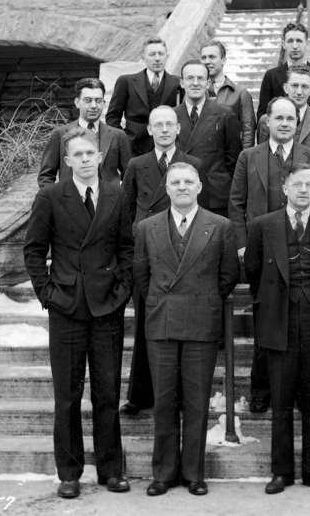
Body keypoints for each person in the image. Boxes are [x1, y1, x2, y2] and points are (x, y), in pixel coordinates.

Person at [23, 127, 133, 498]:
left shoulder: (117, 195)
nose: (86, 159)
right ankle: (69, 472)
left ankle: (111, 469)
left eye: (91, 153)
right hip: (67, 307)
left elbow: (126, 248)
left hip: (107, 306)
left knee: (107, 392)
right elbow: (34, 251)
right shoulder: (51, 196)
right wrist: (49, 294)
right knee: (67, 396)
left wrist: (122, 288)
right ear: (67, 161)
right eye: (78, 155)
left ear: (100, 157)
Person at [134, 162, 239, 497]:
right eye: (175, 182)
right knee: (164, 401)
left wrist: (205, 301)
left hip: (201, 321)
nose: (182, 187)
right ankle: (164, 473)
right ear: (166, 189)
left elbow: (228, 276)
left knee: (196, 401)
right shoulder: (146, 227)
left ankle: (194, 473)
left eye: (188, 182)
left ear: (199, 187)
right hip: (161, 322)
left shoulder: (220, 226)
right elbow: (141, 276)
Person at [244, 164, 310, 495]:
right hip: (279, 319)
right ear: (285, 188)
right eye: (297, 184)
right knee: (281, 398)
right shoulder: (263, 225)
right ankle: (281, 471)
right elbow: (254, 268)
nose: (303, 190)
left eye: (309, 185)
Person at [229, 97, 310, 414]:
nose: (285, 123)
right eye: (279, 118)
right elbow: (236, 204)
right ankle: (262, 389)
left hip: (302, 251)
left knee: (300, 328)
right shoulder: (249, 157)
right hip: (263, 253)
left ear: (297, 123)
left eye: (291, 119)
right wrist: (243, 245)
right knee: (265, 324)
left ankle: (299, 389)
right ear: (267, 122)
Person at [120, 105, 208, 415]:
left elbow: (203, 214)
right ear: (150, 130)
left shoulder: (192, 164)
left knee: (183, 327)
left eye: (170, 124)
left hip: (183, 254)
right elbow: (126, 210)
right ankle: (141, 394)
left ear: (179, 128)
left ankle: (181, 395)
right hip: (149, 254)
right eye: (158, 124)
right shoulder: (137, 164)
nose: (165, 129)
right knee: (147, 324)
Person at [173, 60, 242, 218]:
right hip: (181, 195)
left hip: (215, 198)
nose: (195, 83)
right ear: (182, 83)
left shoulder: (224, 115)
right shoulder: (171, 116)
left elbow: (234, 161)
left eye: (200, 78)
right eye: (190, 78)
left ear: (208, 83)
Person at [39, 78, 132, 187]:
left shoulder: (117, 135)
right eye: (88, 100)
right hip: (71, 200)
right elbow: (46, 176)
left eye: (98, 100)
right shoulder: (60, 134)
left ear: (103, 103)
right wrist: (56, 201)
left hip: (108, 201)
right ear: (77, 102)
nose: (93, 106)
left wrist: (120, 198)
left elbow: (129, 175)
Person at [258, 64, 310, 183]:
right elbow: (262, 159)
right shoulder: (266, 121)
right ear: (285, 87)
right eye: (294, 85)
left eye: (304, 86)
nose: (299, 92)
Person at [106, 36, 180, 155]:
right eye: (152, 54)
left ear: (167, 57)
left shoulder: (178, 83)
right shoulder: (126, 82)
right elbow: (112, 117)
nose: (157, 58)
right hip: (134, 150)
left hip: (167, 149)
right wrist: (124, 141)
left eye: (161, 54)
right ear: (143, 57)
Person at [256, 22, 310, 123]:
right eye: (290, 41)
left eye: (299, 41)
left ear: (307, 43)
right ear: (283, 44)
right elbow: (263, 114)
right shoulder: (271, 76)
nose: (294, 46)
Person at [201, 39, 256, 149]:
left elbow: (248, 131)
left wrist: (244, 160)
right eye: (204, 57)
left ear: (223, 60)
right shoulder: (193, 91)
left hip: (229, 158)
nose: (207, 61)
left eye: (212, 57)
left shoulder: (240, 94)